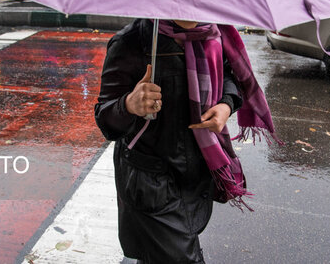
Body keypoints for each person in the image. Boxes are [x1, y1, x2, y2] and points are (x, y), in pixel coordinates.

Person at [95, 19, 280, 263]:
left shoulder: (212, 34)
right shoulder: (131, 41)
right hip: (151, 183)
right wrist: (129, 104)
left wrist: (226, 104)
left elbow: (229, 77)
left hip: (195, 175)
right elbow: (105, 118)